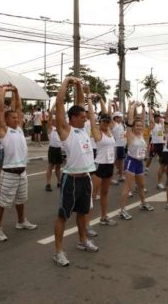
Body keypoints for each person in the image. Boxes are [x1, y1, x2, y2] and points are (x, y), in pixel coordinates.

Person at [53, 77, 99, 267]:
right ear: (72, 119)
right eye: (82, 117)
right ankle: (58, 251)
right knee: (63, 215)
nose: (85, 118)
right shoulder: (66, 130)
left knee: (83, 213)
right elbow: (59, 105)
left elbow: (80, 103)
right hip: (71, 180)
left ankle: (82, 241)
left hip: (86, 178)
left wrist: (79, 86)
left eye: (85, 116)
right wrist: (66, 82)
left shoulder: (83, 129)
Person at [0, 84, 37, 242]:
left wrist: (17, 92)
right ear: (6, 120)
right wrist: (3, 92)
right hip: (9, 173)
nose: (17, 119)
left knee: (21, 200)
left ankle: (21, 221)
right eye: (13, 117)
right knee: (2, 203)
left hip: (22, 172)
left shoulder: (19, 129)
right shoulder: (3, 130)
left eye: (17, 117)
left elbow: (18, 106)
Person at [119, 102, 154, 220]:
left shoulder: (141, 135)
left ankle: (143, 203)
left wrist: (144, 108)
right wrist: (133, 106)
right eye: (137, 125)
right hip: (131, 162)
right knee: (128, 187)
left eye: (140, 125)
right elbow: (129, 120)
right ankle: (122, 210)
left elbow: (143, 120)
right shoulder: (130, 135)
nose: (139, 127)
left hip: (139, 163)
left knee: (141, 185)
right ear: (133, 127)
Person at [88, 97, 118, 226]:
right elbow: (92, 116)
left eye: (107, 121)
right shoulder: (97, 131)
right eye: (104, 121)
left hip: (109, 165)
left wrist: (101, 100)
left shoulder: (109, 131)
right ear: (99, 122)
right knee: (93, 196)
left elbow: (107, 114)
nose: (106, 123)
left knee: (104, 193)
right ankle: (86, 224)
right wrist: (89, 100)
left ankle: (104, 217)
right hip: (99, 165)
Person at [45, 106, 63, 192]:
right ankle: (48, 184)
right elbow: (49, 118)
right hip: (52, 149)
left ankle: (59, 182)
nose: (54, 121)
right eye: (53, 120)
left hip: (59, 149)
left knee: (58, 167)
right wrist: (52, 108)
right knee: (50, 166)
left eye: (55, 120)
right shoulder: (50, 128)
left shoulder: (59, 129)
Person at [145, 109, 165, 176]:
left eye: (159, 118)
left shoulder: (161, 124)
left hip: (161, 144)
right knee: (151, 157)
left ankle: (161, 168)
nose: (159, 119)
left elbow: (163, 118)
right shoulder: (153, 125)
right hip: (154, 144)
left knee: (161, 157)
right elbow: (151, 119)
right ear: (155, 118)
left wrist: (155, 111)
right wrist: (150, 110)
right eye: (157, 118)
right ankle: (146, 168)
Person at [110, 106, 126, 184]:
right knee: (113, 162)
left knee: (121, 161)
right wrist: (110, 106)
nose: (121, 118)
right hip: (114, 146)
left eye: (121, 117)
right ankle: (111, 178)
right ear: (115, 118)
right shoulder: (113, 124)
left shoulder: (121, 124)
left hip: (121, 145)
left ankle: (121, 175)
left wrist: (116, 105)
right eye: (119, 117)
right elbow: (110, 115)